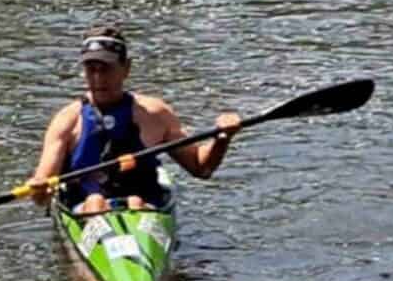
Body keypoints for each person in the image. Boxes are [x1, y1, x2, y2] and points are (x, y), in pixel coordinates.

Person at [27, 26, 240, 218]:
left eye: (106, 68)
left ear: (126, 68)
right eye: (91, 69)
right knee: (96, 203)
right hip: (85, 205)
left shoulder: (155, 113)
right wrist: (38, 189)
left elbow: (201, 168)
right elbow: (43, 194)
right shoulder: (67, 120)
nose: (98, 79)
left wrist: (221, 138)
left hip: (145, 205)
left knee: (136, 203)